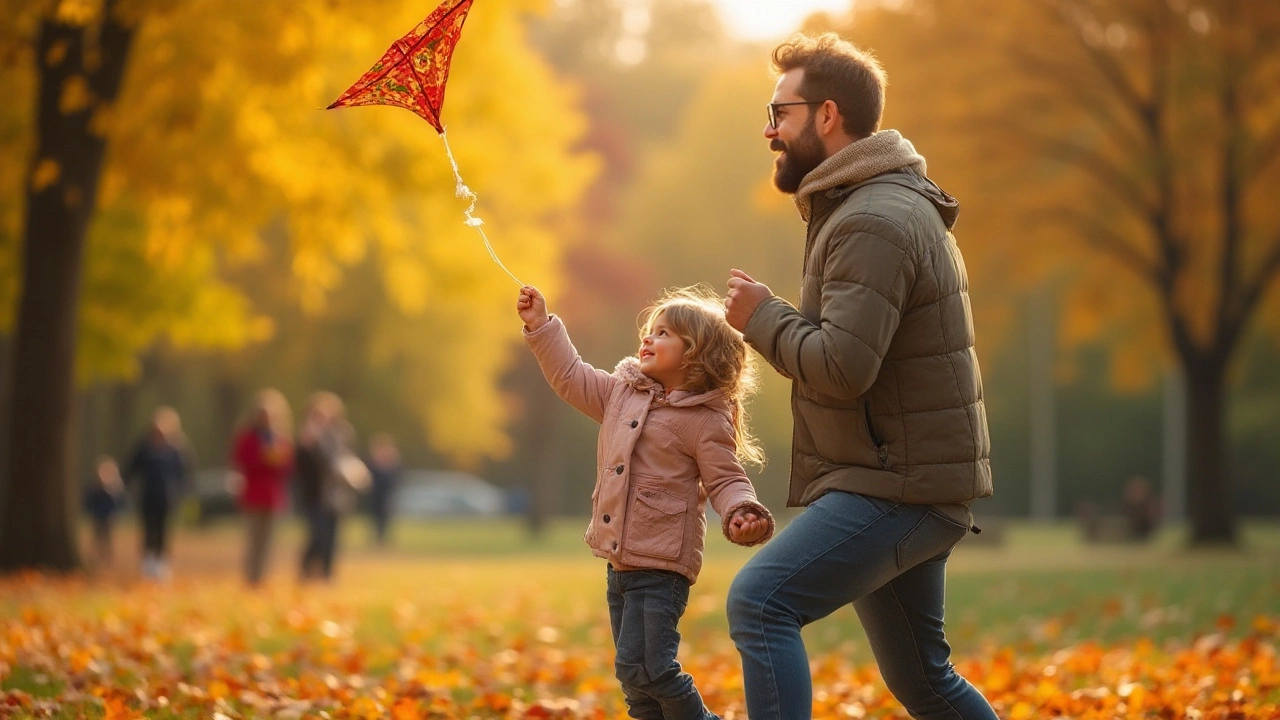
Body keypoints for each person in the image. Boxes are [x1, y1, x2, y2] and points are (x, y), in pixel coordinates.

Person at [722, 33, 997, 719]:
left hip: (896, 485)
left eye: (779, 112)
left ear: (827, 115)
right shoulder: (869, 206)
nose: (768, 128)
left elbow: (842, 368)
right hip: (903, 476)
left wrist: (761, 319)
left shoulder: (873, 219)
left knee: (761, 602)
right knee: (924, 681)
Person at [517, 283, 775, 720]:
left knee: (649, 669)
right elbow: (571, 376)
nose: (648, 338)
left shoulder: (705, 420)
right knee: (635, 684)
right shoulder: (621, 394)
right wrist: (541, 326)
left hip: (661, 566)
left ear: (694, 354)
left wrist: (741, 511)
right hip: (620, 562)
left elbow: (726, 477)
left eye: (663, 333)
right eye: (649, 331)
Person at [294, 391, 364, 582]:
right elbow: (302, 467)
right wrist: (309, 446)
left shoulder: (341, 434)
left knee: (333, 536)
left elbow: (347, 458)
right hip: (315, 494)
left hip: (337, 494)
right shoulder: (307, 437)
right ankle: (307, 569)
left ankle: (327, 573)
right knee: (319, 534)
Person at [231, 388, 295, 587]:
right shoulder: (247, 437)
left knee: (268, 541)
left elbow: (289, 466)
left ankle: (261, 577)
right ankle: (250, 577)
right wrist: (263, 458)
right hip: (253, 494)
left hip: (273, 495)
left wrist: (278, 459)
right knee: (253, 538)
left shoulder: (280, 438)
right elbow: (240, 460)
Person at [123, 406, 193, 581]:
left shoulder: (177, 449)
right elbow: (130, 469)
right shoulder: (144, 447)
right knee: (148, 529)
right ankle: (147, 564)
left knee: (163, 530)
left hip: (167, 497)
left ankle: (161, 565)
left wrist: (183, 492)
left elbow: (185, 473)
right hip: (147, 495)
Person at [84, 455, 126, 570]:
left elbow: (119, 503)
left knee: (108, 538)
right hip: (97, 517)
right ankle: (96, 558)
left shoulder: (113, 490)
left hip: (109, 517)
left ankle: (107, 558)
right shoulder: (94, 489)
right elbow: (88, 502)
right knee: (97, 538)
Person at [365, 433, 401, 546]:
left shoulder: (391, 462)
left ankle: (383, 538)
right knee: (375, 516)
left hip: (387, 493)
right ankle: (376, 537)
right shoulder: (373, 462)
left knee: (385, 516)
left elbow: (396, 476)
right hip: (376, 493)